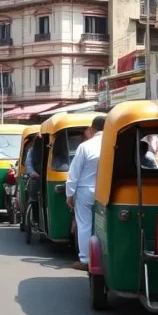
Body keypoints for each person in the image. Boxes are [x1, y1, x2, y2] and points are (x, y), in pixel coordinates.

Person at [65, 115, 106, 271]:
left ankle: (86, 259)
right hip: (104, 190)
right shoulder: (112, 144)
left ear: (92, 129)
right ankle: (102, 257)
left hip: (84, 190)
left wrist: (69, 193)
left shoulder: (85, 146)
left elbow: (74, 173)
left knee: (84, 225)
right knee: (102, 226)